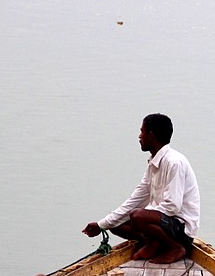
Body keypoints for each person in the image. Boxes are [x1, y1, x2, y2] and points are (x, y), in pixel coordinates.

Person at [82, 113, 200, 264]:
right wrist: (101, 224)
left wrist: (144, 214)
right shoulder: (153, 163)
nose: (139, 136)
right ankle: (155, 241)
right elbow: (136, 199)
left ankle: (175, 247)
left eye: (142, 131)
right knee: (117, 223)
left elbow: (173, 207)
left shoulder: (174, 162)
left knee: (137, 216)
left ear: (151, 135)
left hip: (181, 230)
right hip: (163, 222)